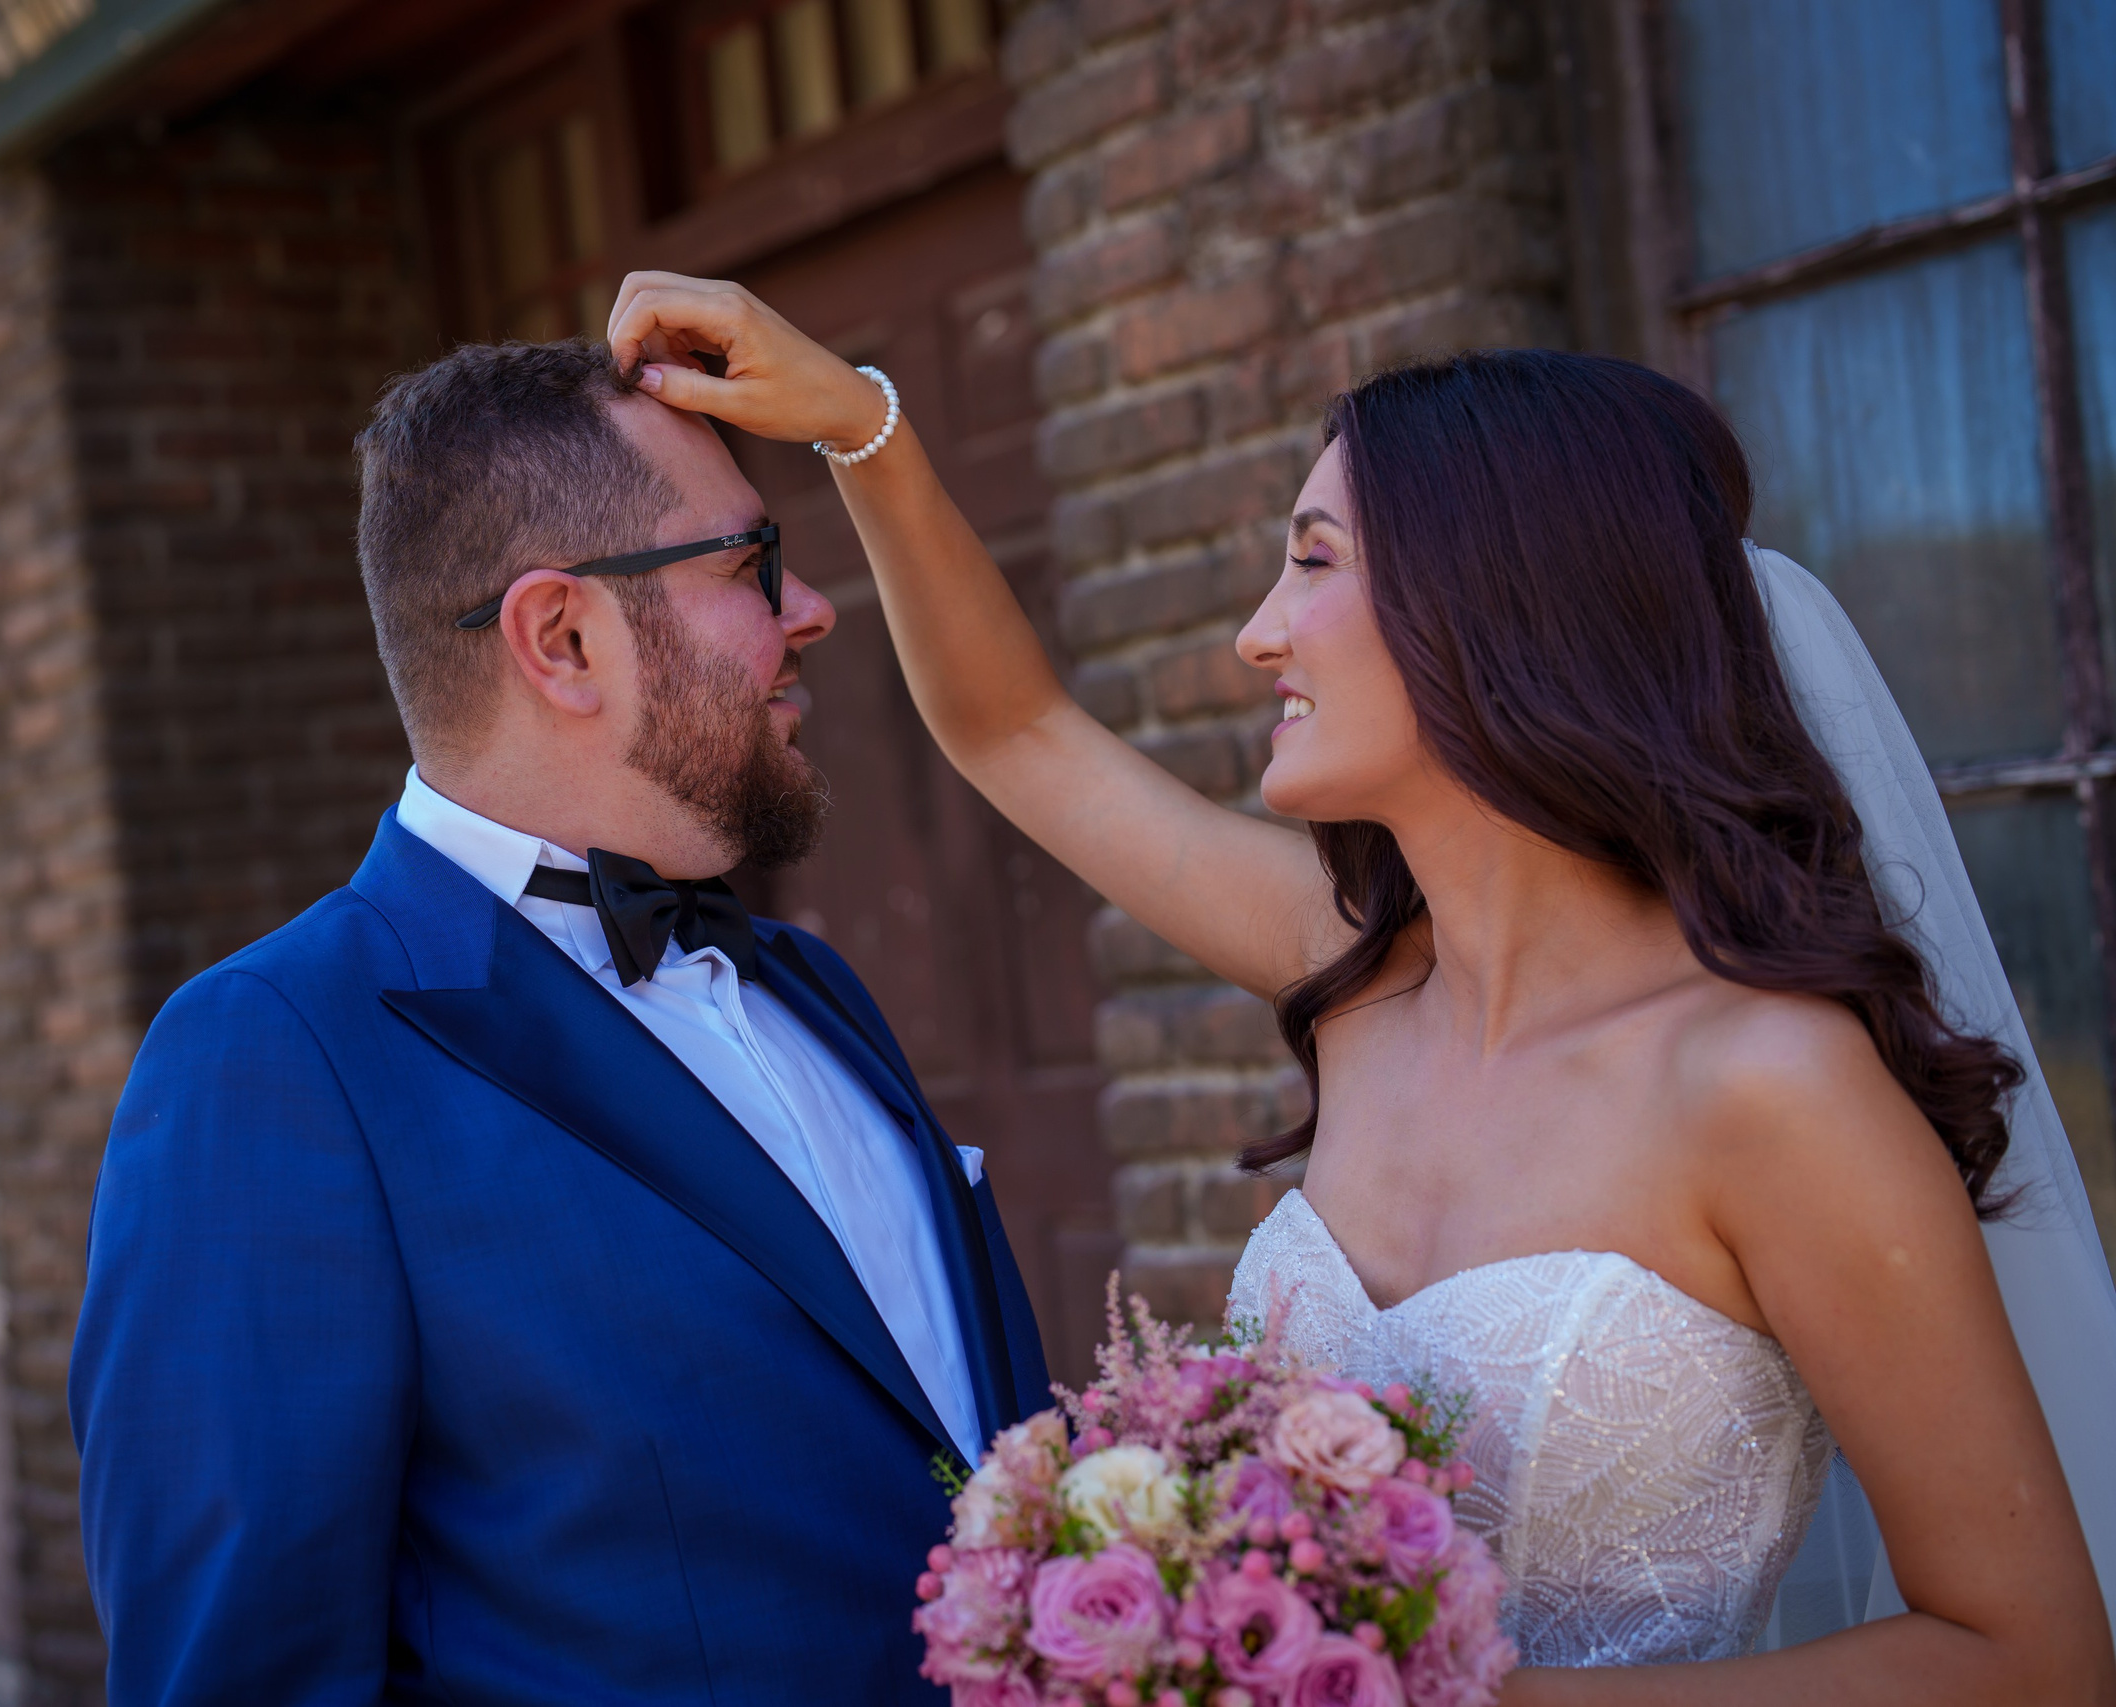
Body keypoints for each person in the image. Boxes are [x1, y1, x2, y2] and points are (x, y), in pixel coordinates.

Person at [604, 273, 2116, 1702]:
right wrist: (859, 423)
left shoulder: (1771, 1090)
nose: (1256, 632)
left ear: (1498, 606)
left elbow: (2032, 1660)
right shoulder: (1361, 982)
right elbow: (1016, 734)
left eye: (1313, 560)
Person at [67, 339, 1050, 1705]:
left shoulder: (811, 984)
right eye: (751, 563)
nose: (814, 609)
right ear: (564, 639)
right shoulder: (278, 1058)